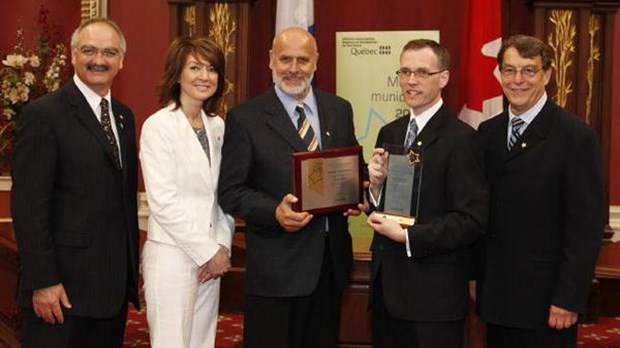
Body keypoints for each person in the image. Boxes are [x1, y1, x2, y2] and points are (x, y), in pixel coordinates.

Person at [218, 27, 366, 348]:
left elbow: (352, 166)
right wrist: (274, 211)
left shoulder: (339, 110)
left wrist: (360, 190)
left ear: (316, 62)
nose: (294, 68)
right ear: (271, 61)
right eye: (285, 59)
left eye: (303, 60)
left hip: (329, 264)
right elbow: (231, 191)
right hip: (276, 268)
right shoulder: (246, 118)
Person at [11, 18, 139, 347]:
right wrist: (43, 281)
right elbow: (29, 206)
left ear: (122, 60)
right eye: (89, 50)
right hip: (61, 293)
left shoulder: (124, 117)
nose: (100, 59)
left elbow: (122, 201)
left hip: (110, 293)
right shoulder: (44, 114)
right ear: (73, 55)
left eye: (110, 52)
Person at [476, 34, 605, 348]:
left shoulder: (575, 137)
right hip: (497, 296)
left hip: (548, 303)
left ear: (547, 75)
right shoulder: (487, 133)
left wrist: (569, 297)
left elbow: (585, 226)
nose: (517, 80)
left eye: (528, 70)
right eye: (509, 70)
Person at [365, 39, 488, 348]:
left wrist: (408, 237)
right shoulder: (390, 133)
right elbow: (386, 210)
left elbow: (470, 220)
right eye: (405, 71)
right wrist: (376, 187)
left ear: (443, 78)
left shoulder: (462, 140)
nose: (410, 81)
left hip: (433, 300)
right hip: (386, 293)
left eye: (421, 72)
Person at [139, 36, 234, 348]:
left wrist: (221, 247)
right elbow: (163, 203)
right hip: (172, 255)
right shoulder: (158, 126)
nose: (204, 76)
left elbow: (225, 194)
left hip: (211, 259)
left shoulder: (218, 125)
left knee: (202, 342)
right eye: (194, 67)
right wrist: (207, 252)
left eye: (211, 69)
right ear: (177, 74)